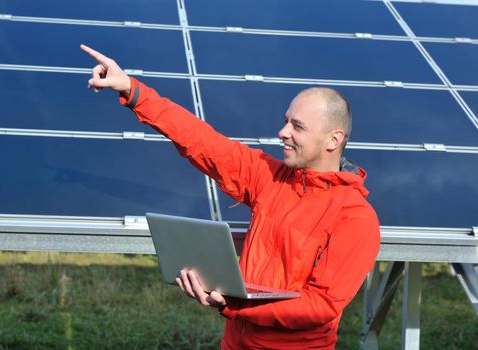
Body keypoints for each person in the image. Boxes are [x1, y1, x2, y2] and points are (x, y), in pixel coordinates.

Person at [81, 44, 380, 350]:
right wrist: (133, 91)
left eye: (297, 126)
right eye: (286, 120)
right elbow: (203, 142)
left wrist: (236, 304)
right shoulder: (270, 176)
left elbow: (321, 305)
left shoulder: (354, 218)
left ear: (334, 139)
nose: (282, 131)